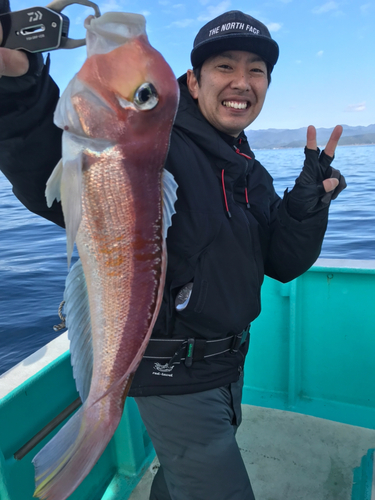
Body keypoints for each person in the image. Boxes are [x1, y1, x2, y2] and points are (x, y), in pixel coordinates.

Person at [0, 5, 346, 500]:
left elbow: (284, 263)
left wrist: (307, 205)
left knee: (180, 478)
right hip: (173, 377)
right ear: (193, 81)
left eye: (256, 70)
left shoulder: (248, 167)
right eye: (224, 66)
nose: (242, 81)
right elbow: (48, 170)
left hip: (227, 366)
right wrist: (18, 87)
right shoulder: (156, 146)